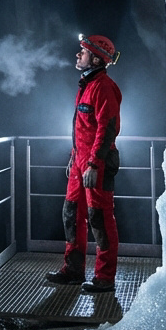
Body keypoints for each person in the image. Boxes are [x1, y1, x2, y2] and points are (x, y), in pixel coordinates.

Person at [46, 34, 122, 293]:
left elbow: (107, 128)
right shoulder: (86, 85)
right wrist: (73, 157)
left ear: (97, 59)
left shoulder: (103, 87)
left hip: (96, 164)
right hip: (80, 161)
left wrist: (94, 164)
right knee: (72, 214)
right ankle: (73, 270)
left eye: (84, 51)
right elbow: (83, 128)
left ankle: (104, 277)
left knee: (99, 219)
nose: (78, 55)